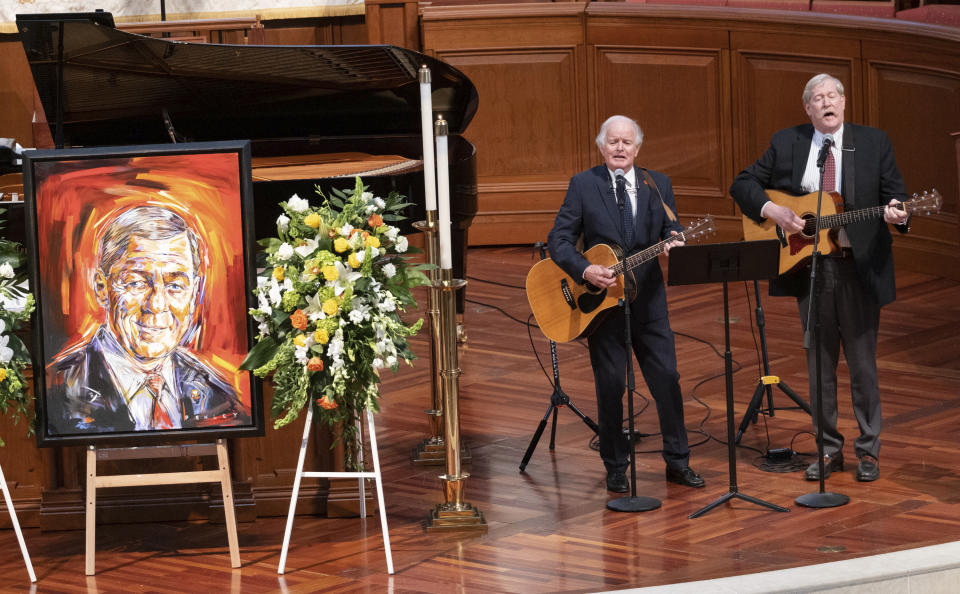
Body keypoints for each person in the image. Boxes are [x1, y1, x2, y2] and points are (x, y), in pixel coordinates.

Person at [730, 73, 910, 482]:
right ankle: (829, 450)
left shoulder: (872, 141)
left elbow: (896, 194)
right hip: (808, 269)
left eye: (832, 96)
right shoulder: (787, 142)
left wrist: (898, 213)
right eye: (817, 97)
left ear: (844, 104)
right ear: (807, 109)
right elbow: (741, 184)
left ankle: (868, 451)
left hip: (858, 267)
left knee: (862, 365)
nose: (826, 102)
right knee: (819, 364)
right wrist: (770, 210)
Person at [547, 115, 704, 493]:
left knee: (666, 380)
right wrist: (585, 271)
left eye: (627, 143)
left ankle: (678, 462)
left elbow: (673, 228)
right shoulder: (584, 185)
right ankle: (616, 466)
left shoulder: (658, 183)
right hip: (604, 307)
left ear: (637, 148)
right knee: (611, 386)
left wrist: (675, 241)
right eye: (613, 142)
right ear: (602, 147)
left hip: (649, 300)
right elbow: (559, 241)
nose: (620, 148)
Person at [47, 205, 250, 434]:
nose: (156, 305)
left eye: (175, 286)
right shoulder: (57, 388)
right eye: (136, 283)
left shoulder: (216, 392)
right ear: (102, 288)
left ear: (194, 293)